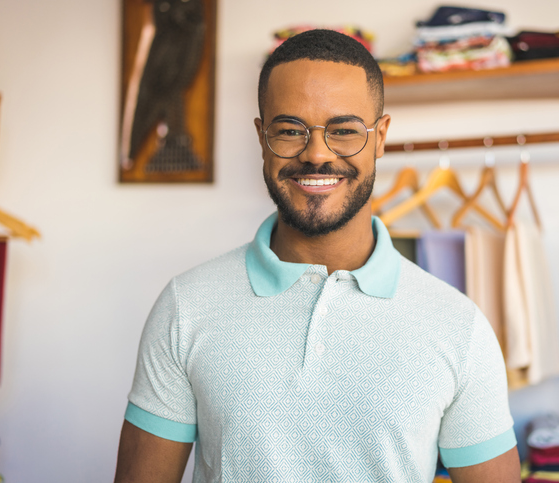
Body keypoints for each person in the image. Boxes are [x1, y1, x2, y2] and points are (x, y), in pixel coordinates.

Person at [114, 29, 520, 483]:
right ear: (261, 137)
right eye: (290, 130)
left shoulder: (458, 327)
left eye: (344, 131)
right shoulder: (184, 306)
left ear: (381, 137)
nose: (316, 155)